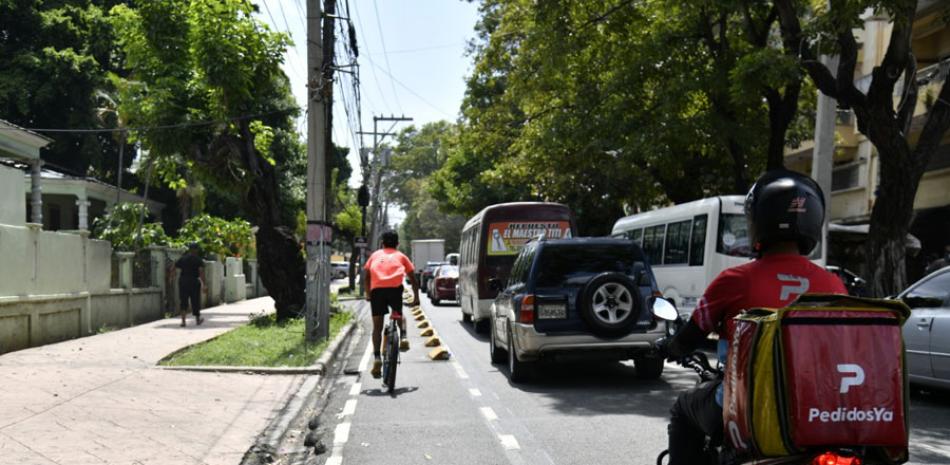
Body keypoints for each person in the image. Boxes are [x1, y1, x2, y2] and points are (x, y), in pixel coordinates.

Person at [663, 170, 847, 465]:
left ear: (757, 220)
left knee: (684, 410)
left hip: (745, 407)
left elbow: (691, 336)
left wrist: (671, 347)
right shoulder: (833, 284)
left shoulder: (734, 279)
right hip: (819, 410)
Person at [364, 231, 420, 378]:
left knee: (377, 327)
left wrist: (368, 294)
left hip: (377, 292)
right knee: (398, 314)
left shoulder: (375, 255)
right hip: (395, 290)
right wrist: (416, 298)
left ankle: (377, 358)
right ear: (397, 244)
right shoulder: (401, 256)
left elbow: (366, 275)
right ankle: (404, 337)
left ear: (382, 243)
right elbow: (413, 279)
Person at [175, 242, 206, 327]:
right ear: (196, 250)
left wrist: (171, 278)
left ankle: (183, 321)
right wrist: (204, 284)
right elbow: (201, 272)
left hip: (183, 281)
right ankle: (198, 320)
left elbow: (174, 267)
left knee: (183, 300)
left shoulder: (183, 258)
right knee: (195, 300)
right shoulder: (198, 260)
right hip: (194, 281)